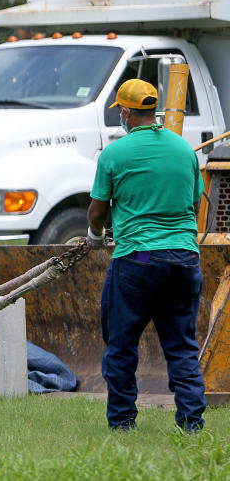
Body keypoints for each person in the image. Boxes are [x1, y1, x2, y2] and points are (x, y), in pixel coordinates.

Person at [87, 78, 206, 432]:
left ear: (125, 111)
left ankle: (123, 423)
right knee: (182, 346)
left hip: (137, 260)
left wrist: (94, 237)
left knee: (121, 345)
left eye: (119, 111)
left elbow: (97, 210)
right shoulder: (183, 150)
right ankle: (192, 424)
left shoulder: (114, 155)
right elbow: (195, 202)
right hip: (185, 259)